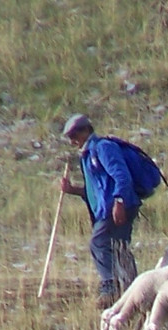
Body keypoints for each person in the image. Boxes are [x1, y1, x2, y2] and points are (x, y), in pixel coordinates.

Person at [59, 113, 141, 307]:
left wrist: (119, 201)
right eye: (70, 137)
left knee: (99, 243)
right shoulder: (87, 156)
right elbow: (94, 191)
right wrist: (72, 190)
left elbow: (121, 176)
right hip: (109, 208)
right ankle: (132, 289)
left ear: (86, 130)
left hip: (118, 206)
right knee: (119, 247)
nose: (72, 141)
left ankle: (110, 286)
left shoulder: (103, 148)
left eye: (74, 135)